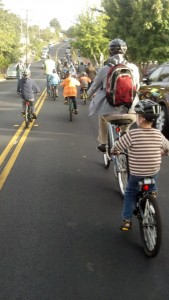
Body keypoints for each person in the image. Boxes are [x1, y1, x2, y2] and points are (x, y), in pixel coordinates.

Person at [111, 100, 169, 230]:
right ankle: (152, 193)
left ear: (141, 119)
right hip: (153, 170)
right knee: (152, 180)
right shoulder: (158, 134)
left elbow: (118, 146)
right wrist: (162, 152)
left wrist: (115, 151)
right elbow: (167, 148)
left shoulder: (132, 134)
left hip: (137, 173)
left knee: (130, 193)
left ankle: (126, 220)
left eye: (137, 116)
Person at [87, 38, 140, 153]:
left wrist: (87, 95)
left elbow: (94, 87)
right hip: (131, 113)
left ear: (110, 51)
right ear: (125, 51)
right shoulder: (133, 68)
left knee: (102, 116)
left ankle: (103, 143)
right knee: (128, 121)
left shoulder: (104, 69)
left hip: (110, 114)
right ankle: (124, 133)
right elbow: (137, 87)